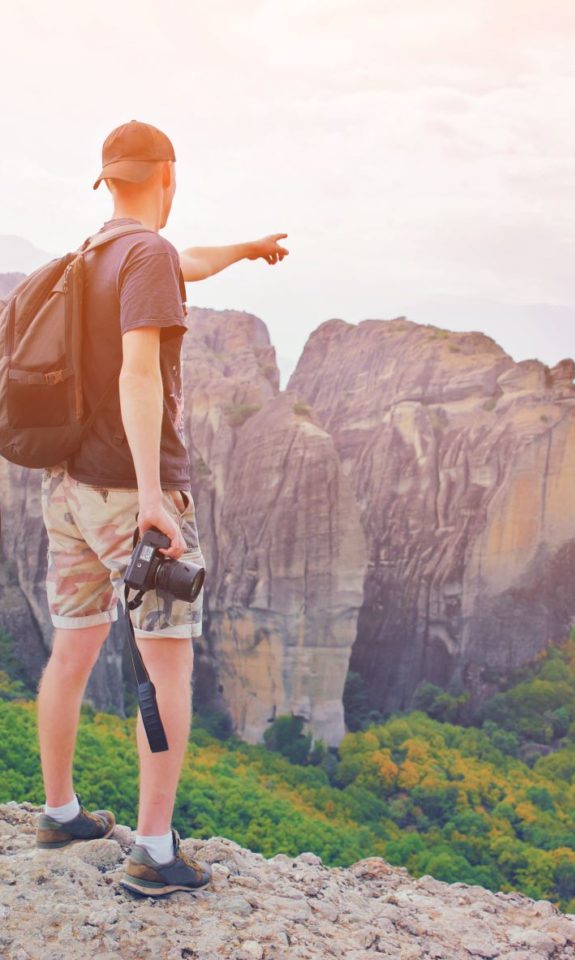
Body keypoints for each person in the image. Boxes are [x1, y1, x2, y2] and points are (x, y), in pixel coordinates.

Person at [33, 119, 289, 897]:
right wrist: (151, 497)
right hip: (125, 495)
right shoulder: (146, 255)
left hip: (68, 490)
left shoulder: (98, 252)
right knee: (167, 663)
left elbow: (186, 264)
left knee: (72, 652)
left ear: (107, 180)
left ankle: (60, 811)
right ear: (167, 176)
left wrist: (245, 249)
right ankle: (153, 850)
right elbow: (139, 375)